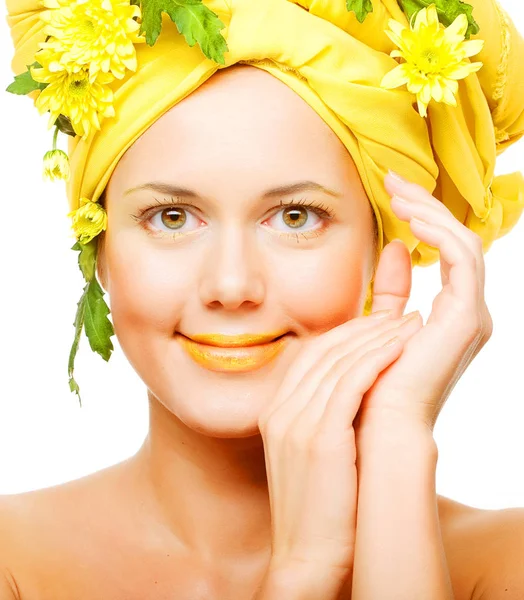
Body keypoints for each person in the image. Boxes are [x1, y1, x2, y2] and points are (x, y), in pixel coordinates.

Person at [2, 0, 524, 598]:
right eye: (171, 217)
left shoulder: (506, 565)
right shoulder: (13, 563)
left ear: (384, 250)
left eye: (295, 217)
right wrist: (304, 570)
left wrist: (398, 444)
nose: (231, 286)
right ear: (99, 248)